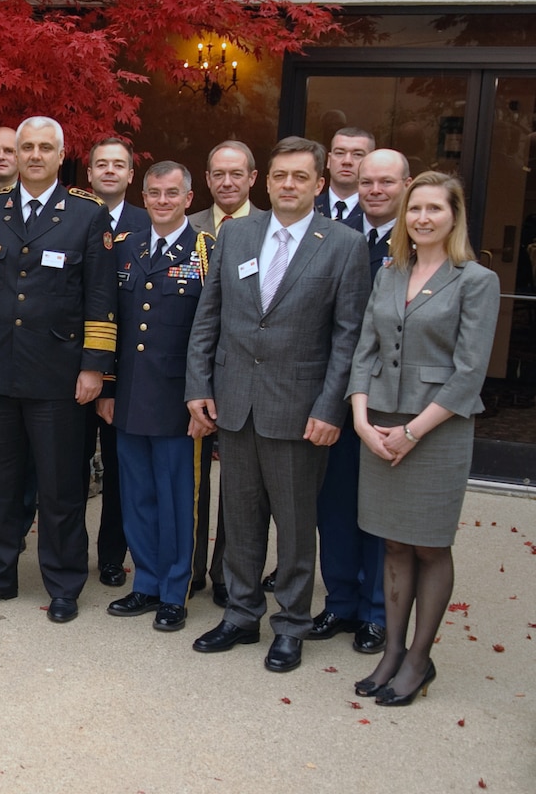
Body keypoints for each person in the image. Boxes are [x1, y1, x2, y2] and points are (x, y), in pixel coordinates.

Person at [185, 136, 370, 673]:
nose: (289, 185)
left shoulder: (342, 244)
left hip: (300, 411)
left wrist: (330, 408)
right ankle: (241, 615)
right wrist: (198, 388)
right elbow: (208, 318)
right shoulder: (235, 234)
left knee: (293, 526)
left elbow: (347, 338)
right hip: (234, 403)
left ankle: (291, 624)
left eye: (300, 177)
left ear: (319, 184)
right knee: (240, 519)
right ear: (267, 181)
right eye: (281, 176)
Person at [0, 116, 116, 621]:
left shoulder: (86, 215)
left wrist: (95, 368)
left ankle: (64, 584)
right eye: (27, 147)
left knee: (61, 486)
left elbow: (101, 297)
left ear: (62, 153)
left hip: (59, 375)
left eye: (46, 147)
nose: (34, 155)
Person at [348, 172, 498, 705]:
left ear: (454, 217)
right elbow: (364, 350)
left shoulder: (475, 280)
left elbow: (468, 371)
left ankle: (418, 658)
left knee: (430, 545)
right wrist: (363, 420)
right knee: (392, 542)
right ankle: (391, 650)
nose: (423, 218)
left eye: (435, 209)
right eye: (415, 209)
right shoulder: (390, 272)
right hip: (380, 420)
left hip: (437, 429)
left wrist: (411, 431)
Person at [309, 148, 411, 655]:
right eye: (367, 182)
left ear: (406, 185)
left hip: (388, 401)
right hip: (334, 392)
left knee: (378, 510)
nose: (374, 190)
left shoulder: (417, 248)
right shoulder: (337, 236)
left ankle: (375, 612)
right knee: (335, 506)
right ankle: (341, 601)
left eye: (386, 182)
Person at [98, 162, 209, 631]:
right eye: (155, 194)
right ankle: (144, 582)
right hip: (129, 396)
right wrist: (105, 386)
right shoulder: (125, 247)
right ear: (143, 197)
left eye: (172, 194)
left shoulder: (208, 252)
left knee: (176, 499)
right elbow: (108, 321)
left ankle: (173, 591)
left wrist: (204, 397)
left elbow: (213, 332)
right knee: (136, 495)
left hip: (178, 401)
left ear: (188, 198)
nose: (162, 201)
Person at [187, 140, 260, 606]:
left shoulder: (271, 229)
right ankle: (190, 569)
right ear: (208, 179)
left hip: (245, 379)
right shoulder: (184, 225)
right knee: (192, 483)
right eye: (218, 174)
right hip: (192, 378)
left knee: (241, 488)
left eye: (236, 173)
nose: (227, 182)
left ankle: (229, 575)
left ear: (254, 178)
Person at [86, 137, 149, 588]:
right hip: (72, 368)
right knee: (68, 471)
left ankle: (112, 556)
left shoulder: (149, 225)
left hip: (125, 374)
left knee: (119, 473)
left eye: (119, 165)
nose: (109, 171)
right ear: (88, 174)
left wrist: (109, 380)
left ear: (131, 175)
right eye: (101, 164)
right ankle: (66, 552)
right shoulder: (69, 217)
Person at [316, 127, 375, 227]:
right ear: (329, 160)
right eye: (340, 153)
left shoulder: (375, 212)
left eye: (357, 154)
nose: (347, 161)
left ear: (371, 162)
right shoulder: (307, 208)